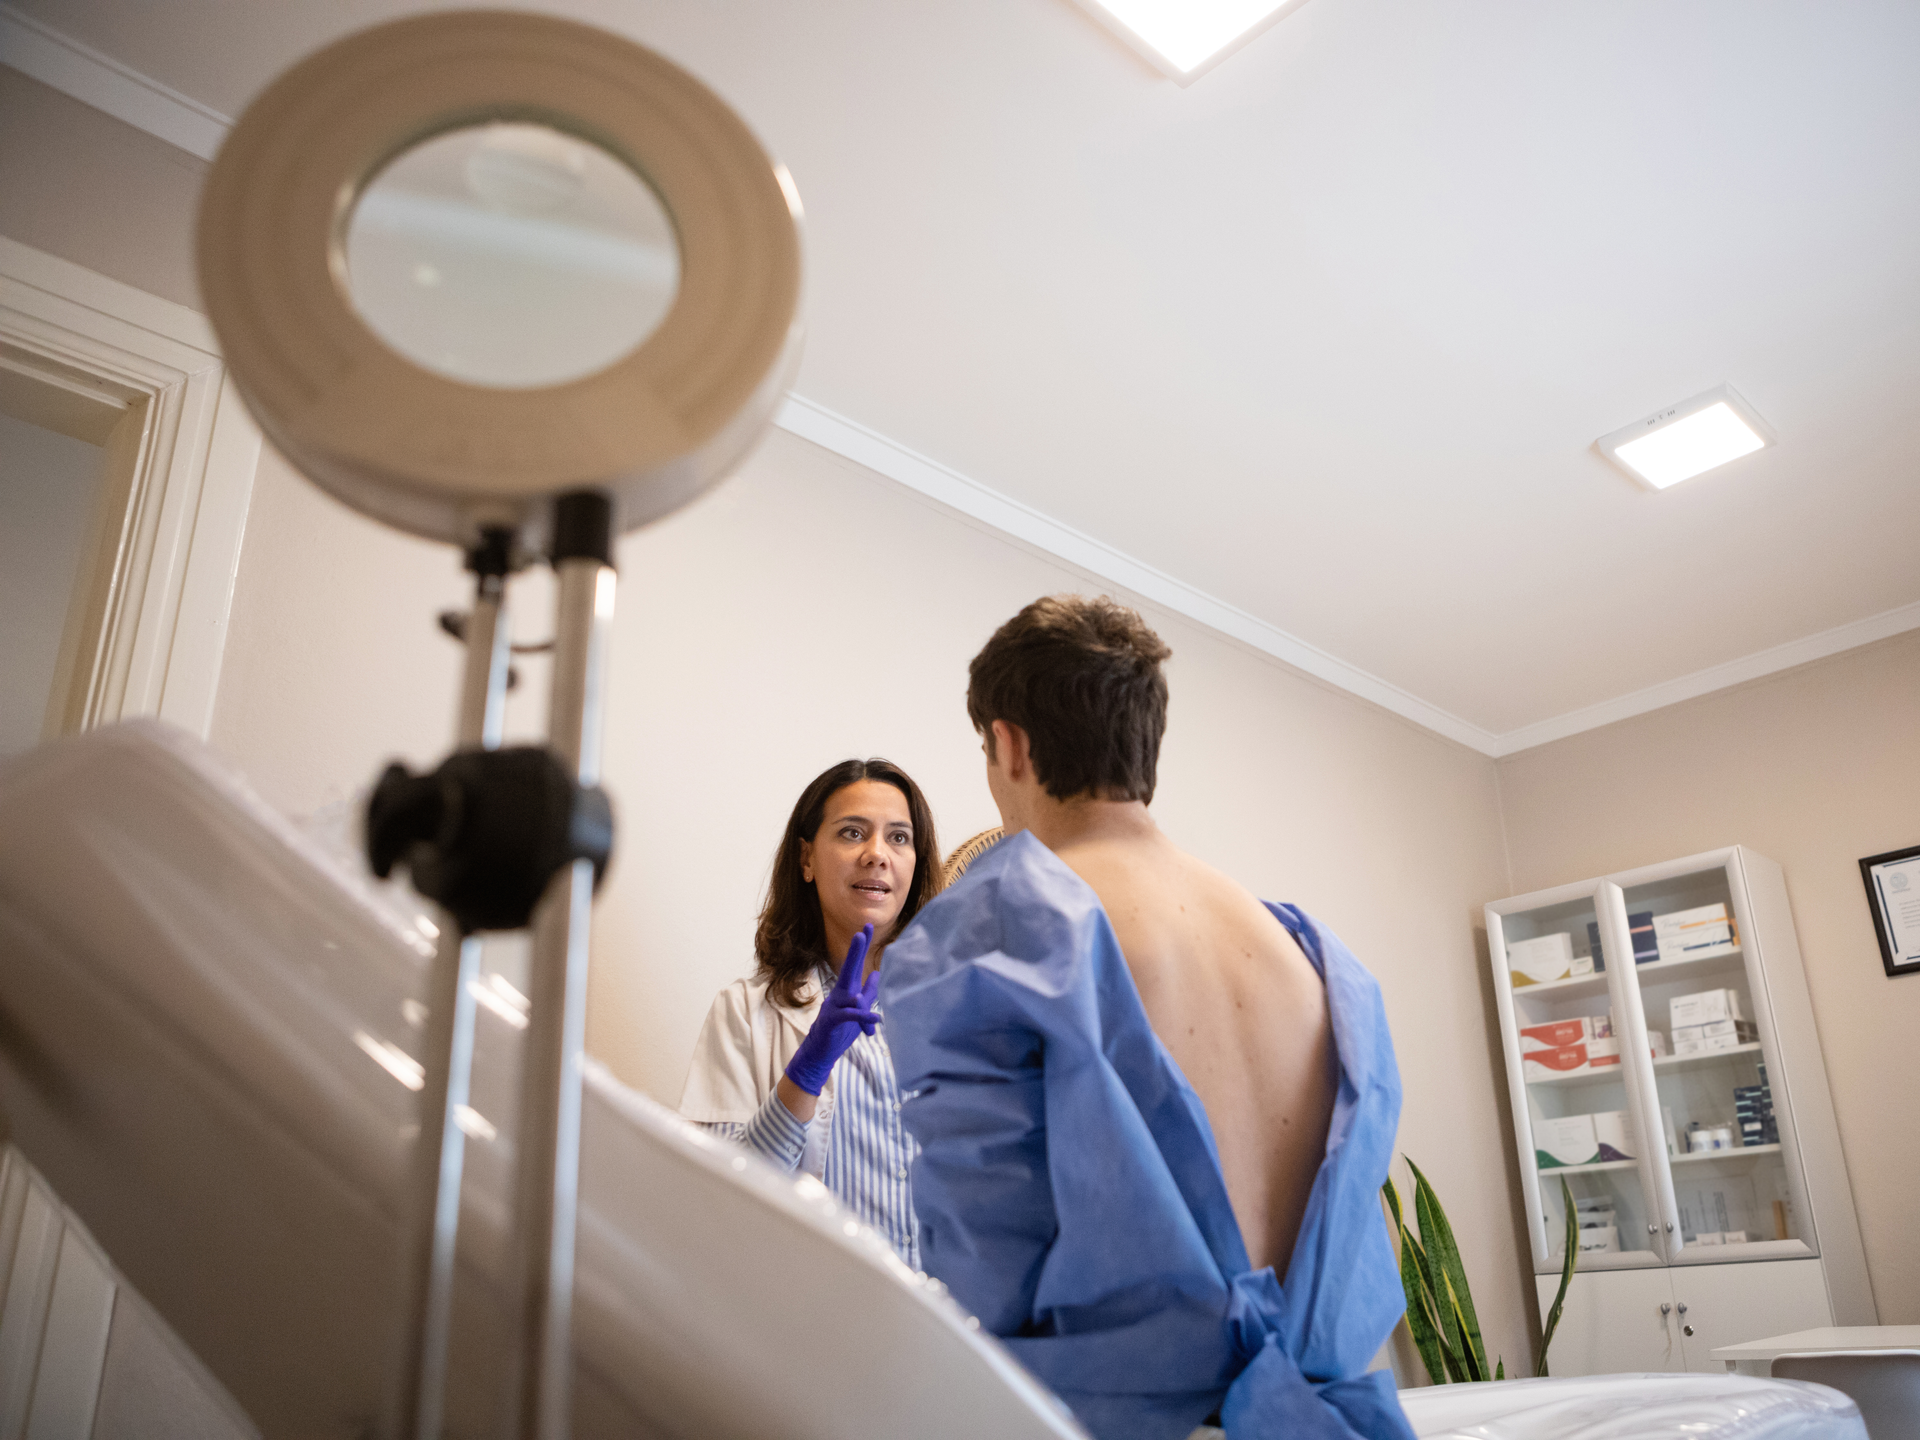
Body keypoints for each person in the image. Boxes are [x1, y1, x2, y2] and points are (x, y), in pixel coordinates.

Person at [880, 596, 1416, 1440]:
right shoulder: (1312, 955)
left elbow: (985, 1269)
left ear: (1009, 744)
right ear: (1143, 739)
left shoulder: (996, 929)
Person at [679, 758, 940, 1267]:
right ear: (806, 859)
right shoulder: (744, 1013)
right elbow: (716, 1207)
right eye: (852, 832)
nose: (877, 854)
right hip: (818, 1307)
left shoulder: (956, 1012)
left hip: (943, 1310)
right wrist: (806, 1073)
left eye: (899, 838)